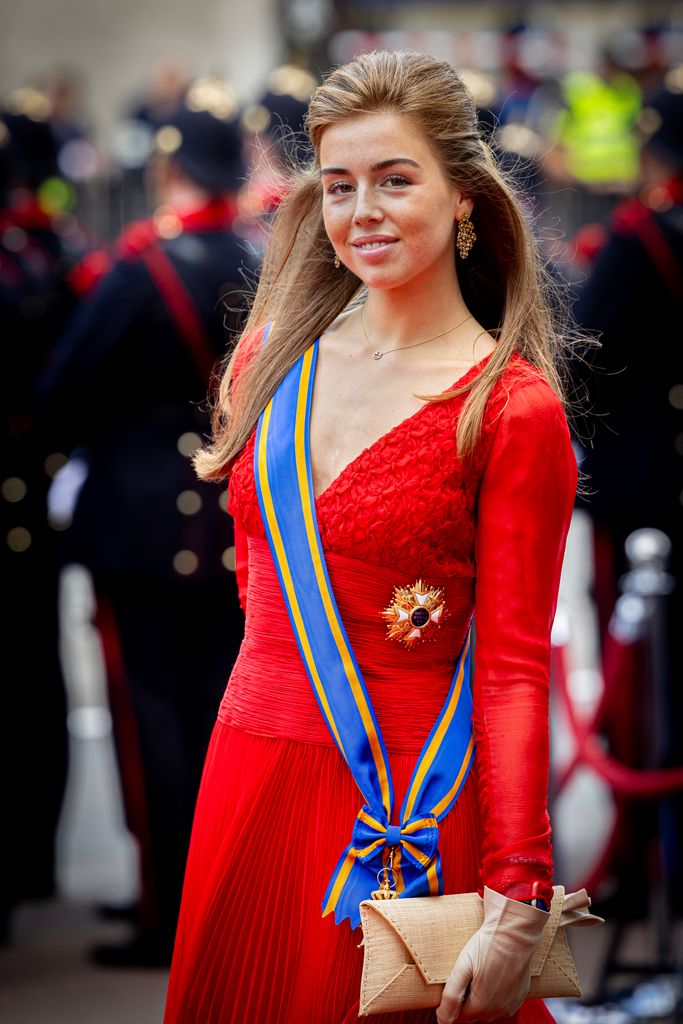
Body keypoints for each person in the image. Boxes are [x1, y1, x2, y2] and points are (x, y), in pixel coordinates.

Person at [164, 51, 578, 1023]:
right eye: (339, 185)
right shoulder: (268, 360)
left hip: (412, 808)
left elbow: (516, 668)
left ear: (464, 198)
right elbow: (264, 602)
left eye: (395, 180)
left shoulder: (511, 408)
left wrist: (517, 897)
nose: (362, 212)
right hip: (247, 776)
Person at [37, 89, 251, 966]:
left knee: (152, 723)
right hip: (233, 518)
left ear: (169, 169)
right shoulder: (254, 260)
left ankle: (172, 915)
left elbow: (61, 393)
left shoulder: (139, 270)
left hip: (138, 521)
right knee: (221, 716)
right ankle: (226, 896)